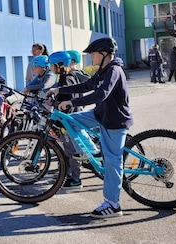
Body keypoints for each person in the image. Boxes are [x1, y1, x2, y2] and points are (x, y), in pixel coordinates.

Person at [46, 37, 133, 218]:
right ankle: (92, 152)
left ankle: (113, 204)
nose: (90, 58)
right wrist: (59, 90)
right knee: (68, 120)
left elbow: (101, 94)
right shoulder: (103, 71)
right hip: (100, 114)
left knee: (112, 161)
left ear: (103, 54)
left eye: (93, 54)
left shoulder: (114, 70)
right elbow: (87, 85)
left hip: (114, 121)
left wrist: (72, 101)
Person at [48, 51, 84, 189]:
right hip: (67, 118)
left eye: (52, 65)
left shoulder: (67, 79)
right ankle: (67, 173)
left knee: (71, 150)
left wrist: (59, 106)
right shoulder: (66, 77)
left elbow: (69, 99)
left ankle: (76, 178)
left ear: (60, 65)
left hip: (69, 120)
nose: (51, 68)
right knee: (67, 149)